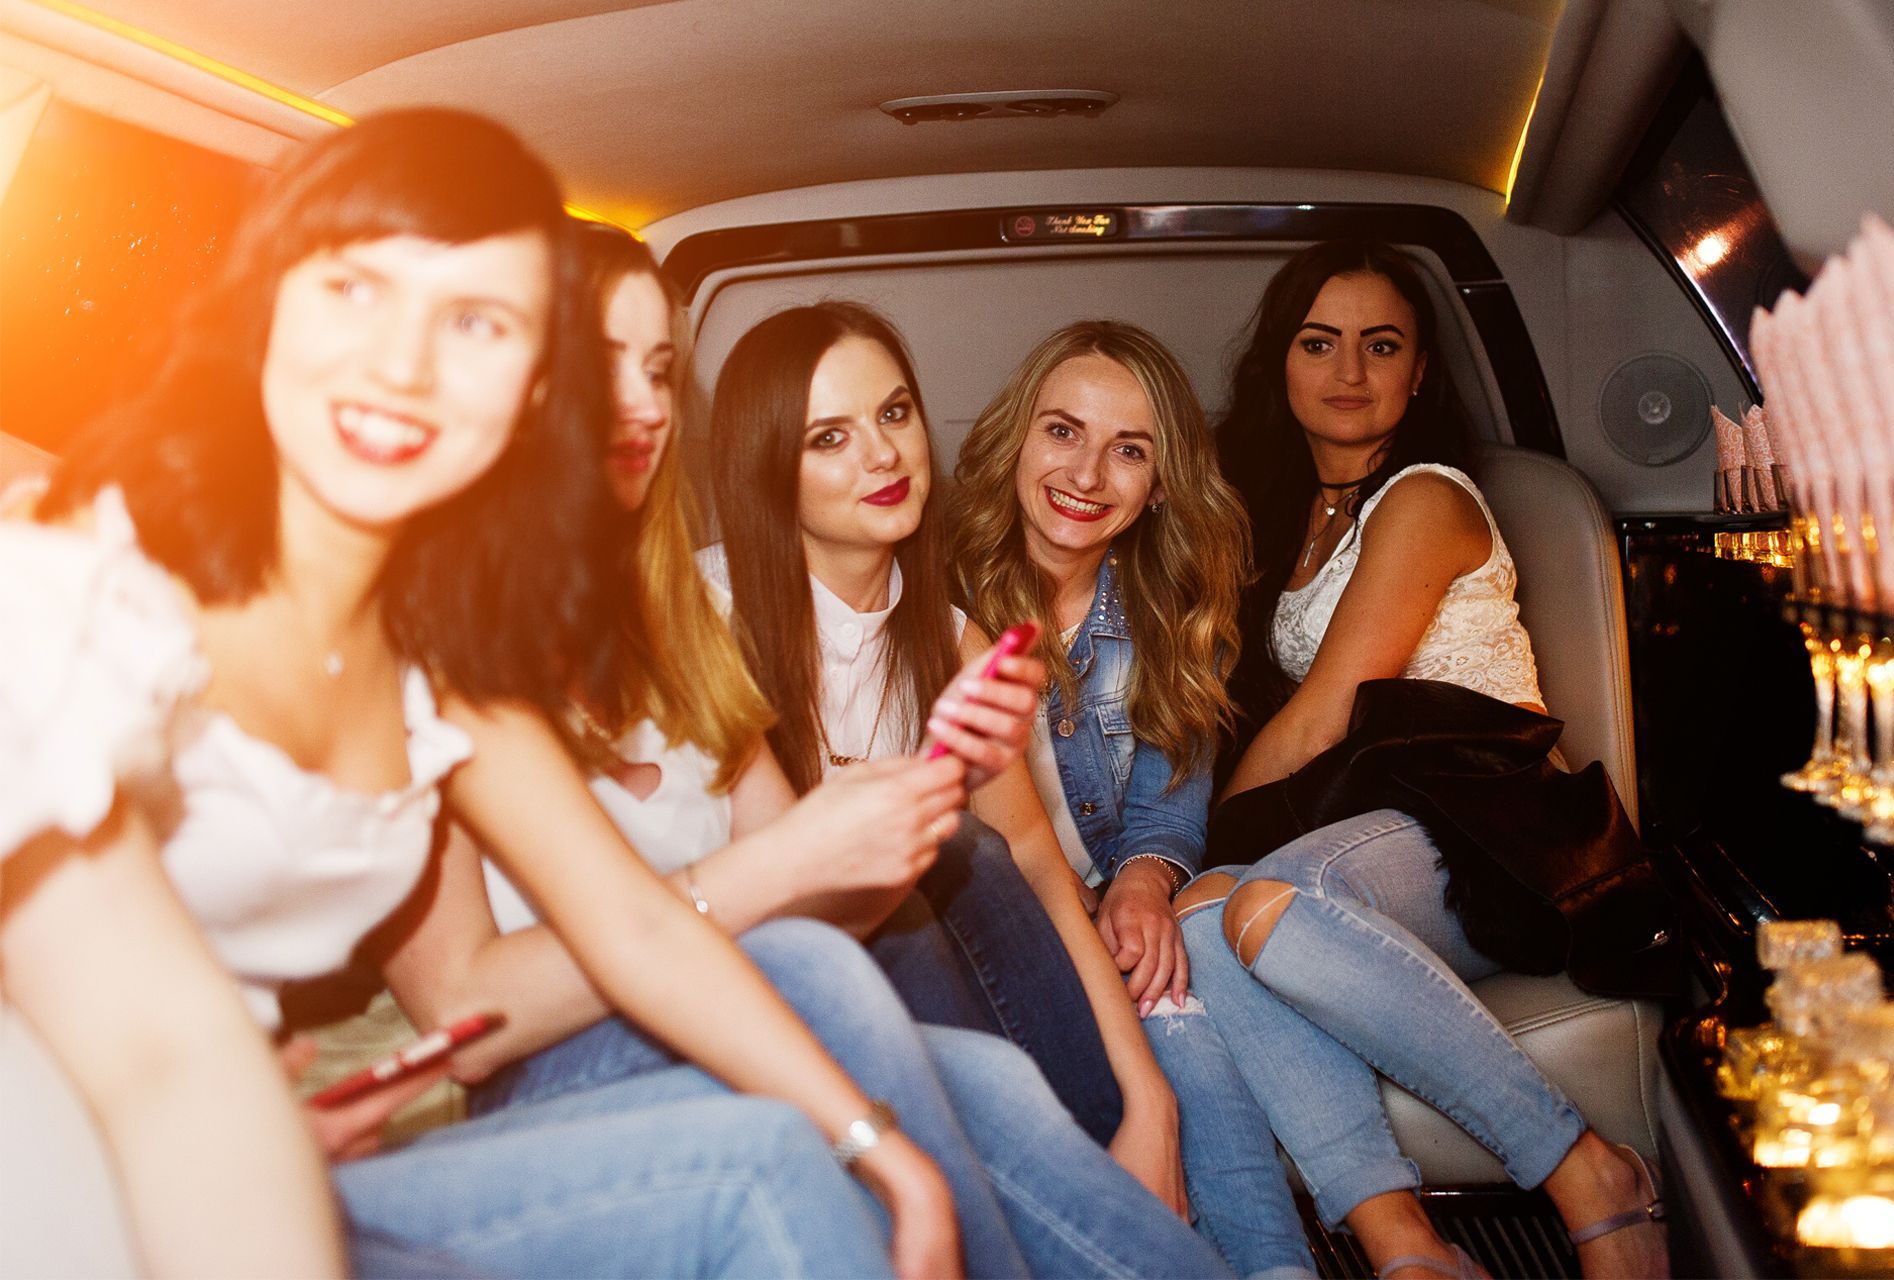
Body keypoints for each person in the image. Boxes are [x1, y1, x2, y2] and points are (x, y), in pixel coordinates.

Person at [2, 107, 964, 1279]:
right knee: (757, 1159)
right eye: (354, 288)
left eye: (475, 321)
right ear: (267, 304)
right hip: (62, 1149)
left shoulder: (439, 648)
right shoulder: (80, 592)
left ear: (531, 391)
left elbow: (637, 919)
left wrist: (886, 1153)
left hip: (248, 1127)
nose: (403, 366)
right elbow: (156, 1047)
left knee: (786, 1134)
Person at [386, 228, 1236, 1280]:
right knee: (850, 958)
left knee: (986, 1057)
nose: (644, 402)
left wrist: (930, 788)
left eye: (660, 369)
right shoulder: (469, 642)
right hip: (568, 1054)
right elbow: (741, 914)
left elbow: (830, 893)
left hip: (734, 986)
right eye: (599, 362)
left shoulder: (662, 626)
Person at [1180, 239, 1668, 1280]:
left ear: (1418, 373)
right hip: (1397, 825)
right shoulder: (1299, 519)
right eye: (1320, 343)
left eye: (1380, 344)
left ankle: (1587, 1167)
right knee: (1203, 924)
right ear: (1282, 364)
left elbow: (1322, 719)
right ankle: (1407, 1246)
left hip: (1502, 827)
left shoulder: (1424, 497)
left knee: (1269, 899)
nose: (1349, 372)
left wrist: (1192, 849)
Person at [697, 301, 1193, 1204]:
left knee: (979, 856)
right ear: (767, 466)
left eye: (893, 414)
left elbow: (1041, 862)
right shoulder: (703, 622)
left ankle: (1102, 1189)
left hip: (908, 972)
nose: (883, 455)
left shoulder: (952, 640)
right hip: (749, 977)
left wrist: (1148, 1104)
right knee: (942, 871)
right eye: (829, 438)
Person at [948, 320, 1314, 1278]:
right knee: (1150, 1014)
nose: (1089, 474)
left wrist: (1148, 881)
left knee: (1173, 984)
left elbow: (1162, 808)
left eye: (1129, 450)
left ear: (1160, 484)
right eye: (1063, 432)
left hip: (1097, 904)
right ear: (1015, 440)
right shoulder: (928, 591)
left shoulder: (1172, 612)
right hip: (986, 921)